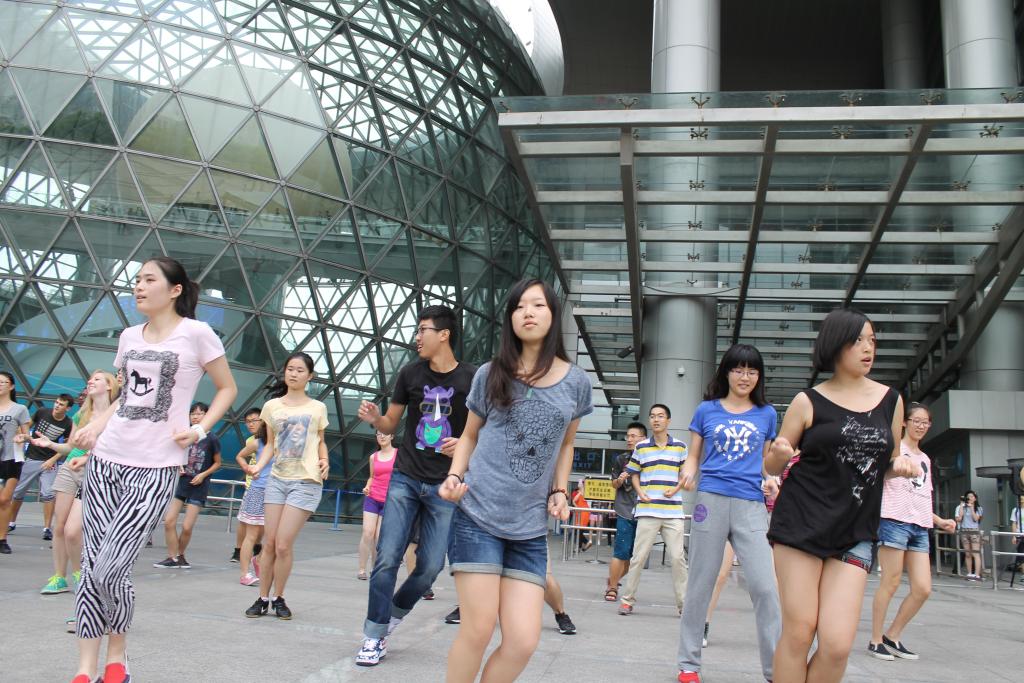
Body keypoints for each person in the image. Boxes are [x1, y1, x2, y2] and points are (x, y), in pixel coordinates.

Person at [67, 256, 236, 683]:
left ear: (175, 290)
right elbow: (126, 399)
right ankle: (88, 668)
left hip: (156, 466)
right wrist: (94, 429)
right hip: (107, 459)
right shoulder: (128, 336)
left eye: (148, 280)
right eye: (136, 280)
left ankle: (118, 654)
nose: (139, 287)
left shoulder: (196, 334)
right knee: (90, 567)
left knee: (110, 568)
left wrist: (200, 430)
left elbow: (226, 388)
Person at [439, 278, 592, 683]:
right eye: (520, 306)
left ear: (552, 315)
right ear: (510, 318)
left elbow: (565, 445)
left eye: (538, 305)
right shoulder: (492, 373)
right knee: (478, 628)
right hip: (478, 516)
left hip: (528, 529)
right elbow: (469, 434)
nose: (528, 312)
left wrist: (560, 489)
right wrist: (455, 475)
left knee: (523, 641)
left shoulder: (576, 382)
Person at [764, 308, 918, 683]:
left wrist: (898, 467)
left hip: (854, 530)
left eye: (872, 341)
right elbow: (772, 464)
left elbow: (890, 458)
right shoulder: (808, 401)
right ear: (835, 346)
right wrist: (780, 455)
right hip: (801, 523)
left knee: (836, 645)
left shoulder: (891, 401)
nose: (868, 349)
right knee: (800, 632)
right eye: (857, 341)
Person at [354, 305, 476, 667]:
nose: (417, 337)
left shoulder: (472, 378)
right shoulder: (410, 373)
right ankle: (374, 635)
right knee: (388, 556)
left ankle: (392, 615)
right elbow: (391, 424)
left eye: (423, 329)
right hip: (405, 477)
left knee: (429, 567)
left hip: (445, 485)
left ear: (444, 334)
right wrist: (377, 418)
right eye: (417, 329)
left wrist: (467, 447)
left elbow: (482, 430)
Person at [677, 343, 782, 683]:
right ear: (726, 372)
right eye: (738, 369)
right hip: (711, 500)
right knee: (700, 584)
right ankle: (689, 664)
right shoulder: (706, 410)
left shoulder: (767, 414)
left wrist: (772, 478)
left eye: (752, 371)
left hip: (751, 504)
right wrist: (688, 472)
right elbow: (694, 455)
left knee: (766, 587)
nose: (745, 376)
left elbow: (766, 463)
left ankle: (774, 670)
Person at [869, 402, 957, 661]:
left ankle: (892, 635)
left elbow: (920, 497)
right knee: (891, 582)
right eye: (916, 421)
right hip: (894, 520)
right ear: (904, 422)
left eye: (925, 422)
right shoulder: (895, 450)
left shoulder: (925, 459)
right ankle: (875, 640)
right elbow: (878, 481)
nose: (920, 426)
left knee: (923, 588)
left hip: (920, 525)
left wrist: (939, 521)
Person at [244, 351, 329, 620]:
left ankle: (279, 597)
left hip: (305, 481)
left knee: (283, 544)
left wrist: (325, 459)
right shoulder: (272, 407)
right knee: (268, 543)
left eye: (300, 370)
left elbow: (320, 440)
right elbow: (270, 444)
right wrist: (258, 466)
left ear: (310, 376)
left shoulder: (317, 408)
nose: (293, 373)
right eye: (290, 369)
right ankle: (262, 598)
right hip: (277, 480)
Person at [23, 372, 117, 599]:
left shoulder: (117, 415)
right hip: (69, 468)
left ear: (109, 385)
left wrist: (87, 458)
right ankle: (59, 576)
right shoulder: (82, 414)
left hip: (93, 470)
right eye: (90, 379)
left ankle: (79, 574)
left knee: (73, 531)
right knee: (60, 526)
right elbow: (71, 446)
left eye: (97, 379)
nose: (91, 381)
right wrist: (50, 445)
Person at [618, 404, 688, 617]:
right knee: (638, 557)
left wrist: (675, 488)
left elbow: (685, 474)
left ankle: (684, 605)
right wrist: (640, 492)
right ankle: (627, 600)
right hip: (647, 510)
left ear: (668, 420)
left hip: (673, 511)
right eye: (653, 416)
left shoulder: (680, 447)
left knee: (678, 558)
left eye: (661, 416)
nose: (656, 420)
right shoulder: (641, 448)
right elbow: (634, 473)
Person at [153, 402, 222, 569]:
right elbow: (174, 454)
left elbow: (217, 463)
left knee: (187, 526)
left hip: (199, 485)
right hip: (182, 482)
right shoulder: (184, 435)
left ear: (207, 415)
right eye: (193, 413)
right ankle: (173, 557)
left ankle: (181, 555)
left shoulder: (211, 438)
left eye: (200, 413)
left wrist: (203, 475)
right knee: (169, 521)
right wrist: (179, 466)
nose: (196, 416)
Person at [9, 393, 75, 540]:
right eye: (57, 402)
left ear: (68, 408)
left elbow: (67, 446)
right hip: (31, 458)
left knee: (48, 494)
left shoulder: (69, 424)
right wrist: (21, 436)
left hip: (49, 462)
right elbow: (27, 428)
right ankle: (11, 522)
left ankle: (47, 528)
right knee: (18, 492)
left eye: (61, 404)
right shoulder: (42, 412)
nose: (57, 406)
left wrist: (53, 459)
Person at [605, 421, 647, 602]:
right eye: (627, 436)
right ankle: (612, 588)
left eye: (633, 436)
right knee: (621, 551)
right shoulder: (621, 459)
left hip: (646, 511)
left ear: (643, 438)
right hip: (624, 510)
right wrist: (620, 480)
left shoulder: (651, 457)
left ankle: (614, 579)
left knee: (635, 556)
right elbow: (614, 484)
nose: (629, 439)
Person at [235, 409, 269, 586]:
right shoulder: (257, 443)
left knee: (272, 537)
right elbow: (240, 456)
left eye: (254, 420)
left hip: (277, 494)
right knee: (251, 535)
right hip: (257, 491)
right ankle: (244, 573)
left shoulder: (284, 443)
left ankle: (258, 560)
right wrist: (247, 468)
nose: (251, 424)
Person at [0, 371, 32, 554]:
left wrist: (22, 437)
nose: (0, 384)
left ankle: (2, 538)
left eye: (3, 382)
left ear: (11, 386)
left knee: (5, 499)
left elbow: (27, 434)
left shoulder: (19, 409)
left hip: (12, 458)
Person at [359, 430, 396, 579]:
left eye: (385, 434)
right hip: (372, 497)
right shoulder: (373, 457)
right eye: (378, 434)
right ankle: (361, 569)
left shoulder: (398, 455)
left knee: (379, 536)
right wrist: (367, 486)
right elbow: (372, 477)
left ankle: (375, 568)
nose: (381, 436)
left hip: (388, 499)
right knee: (368, 532)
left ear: (392, 436)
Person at [955, 490, 984, 580]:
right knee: (968, 553)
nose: (970, 498)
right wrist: (961, 504)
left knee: (975, 553)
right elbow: (959, 518)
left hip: (974, 531)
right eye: (968, 496)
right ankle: (969, 573)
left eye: (972, 496)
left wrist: (972, 508)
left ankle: (977, 574)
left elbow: (976, 519)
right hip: (964, 530)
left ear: (975, 498)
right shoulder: (963, 507)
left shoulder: (979, 508)